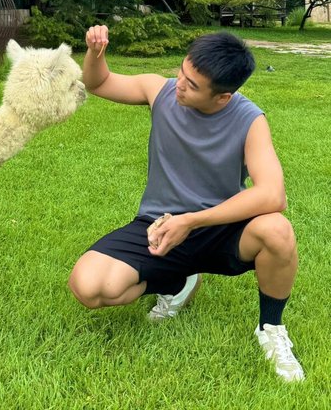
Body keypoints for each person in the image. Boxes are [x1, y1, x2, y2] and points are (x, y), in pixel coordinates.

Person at [68, 26, 304, 382]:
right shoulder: (159, 91)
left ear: (222, 97)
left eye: (192, 85)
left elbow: (273, 195)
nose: (179, 84)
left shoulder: (249, 120)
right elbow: (98, 83)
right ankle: (178, 283)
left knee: (277, 229)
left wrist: (192, 221)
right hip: (160, 224)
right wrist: (95, 52)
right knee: (90, 286)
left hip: (221, 229)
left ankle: (271, 328)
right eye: (181, 72)